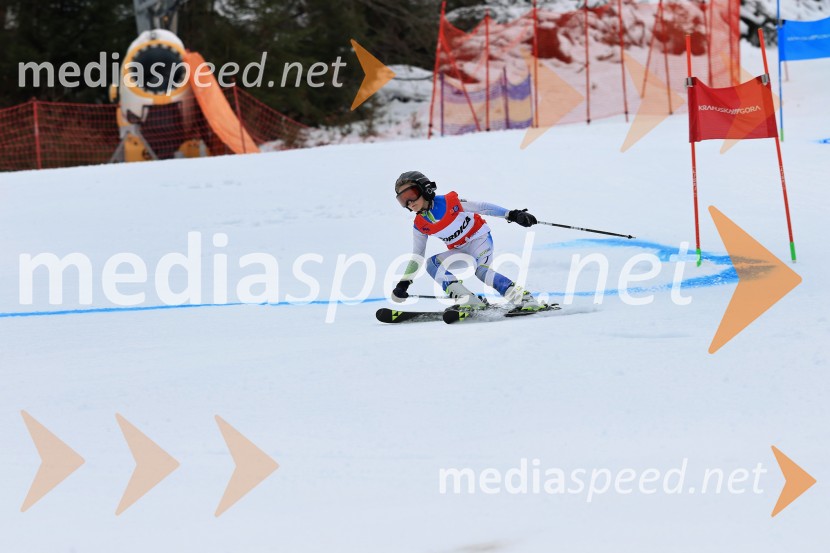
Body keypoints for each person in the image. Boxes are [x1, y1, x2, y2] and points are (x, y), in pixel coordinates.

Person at [391, 170, 545, 312]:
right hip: (460, 249)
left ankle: (524, 299)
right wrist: (404, 282)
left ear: (425, 189)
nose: (409, 202)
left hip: (479, 238)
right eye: (403, 200)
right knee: (432, 264)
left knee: (482, 271)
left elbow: (482, 207)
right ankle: (467, 299)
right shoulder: (420, 225)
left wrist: (511, 214)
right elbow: (417, 256)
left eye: (411, 194)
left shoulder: (449, 202)